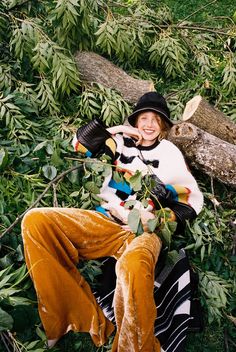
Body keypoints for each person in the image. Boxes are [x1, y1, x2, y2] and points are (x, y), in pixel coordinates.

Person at [21, 92, 203, 352]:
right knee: (36, 220)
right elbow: (79, 146)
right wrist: (117, 129)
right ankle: (68, 317)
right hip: (105, 221)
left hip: (141, 232)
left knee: (133, 266)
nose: (149, 124)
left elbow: (190, 202)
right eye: (144, 118)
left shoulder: (170, 154)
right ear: (136, 121)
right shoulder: (120, 142)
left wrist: (155, 219)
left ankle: (132, 347)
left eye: (156, 119)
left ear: (163, 126)